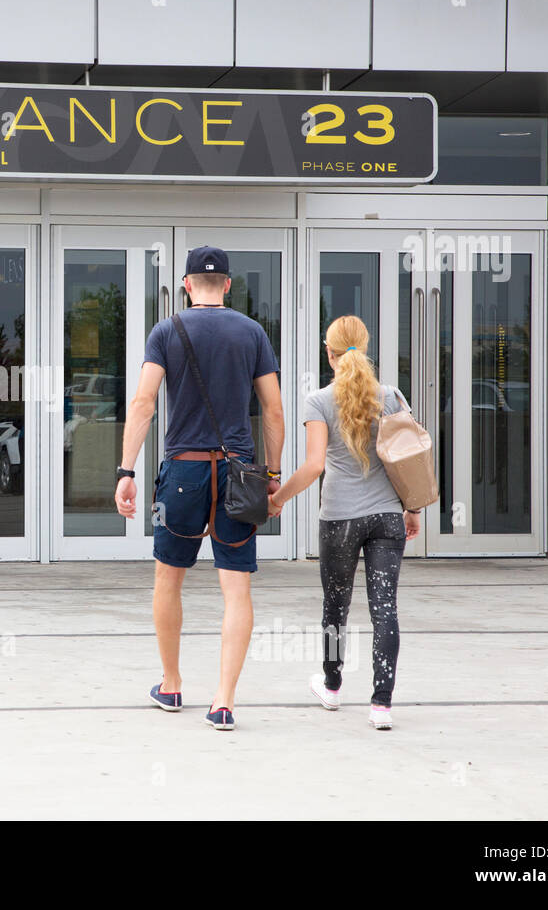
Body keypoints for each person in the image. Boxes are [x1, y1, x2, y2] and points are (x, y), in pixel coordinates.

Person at [115, 246, 284, 731]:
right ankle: (224, 700)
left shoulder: (168, 330)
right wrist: (270, 477)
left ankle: (170, 685)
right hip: (238, 474)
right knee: (237, 587)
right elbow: (272, 412)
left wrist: (125, 471)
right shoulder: (252, 332)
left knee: (169, 578)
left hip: (183, 474)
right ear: (228, 285)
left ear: (186, 284)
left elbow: (144, 402)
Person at [267, 315, 421, 731]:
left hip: (340, 519)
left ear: (328, 352)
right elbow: (409, 457)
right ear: (364, 347)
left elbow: (315, 465)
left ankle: (332, 687)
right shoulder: (390, 397)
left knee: (335, 606)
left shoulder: (318, 401)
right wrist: (413, 509)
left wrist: (277, 499)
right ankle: (381, 706)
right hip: (388, 516)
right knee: (384, 608)